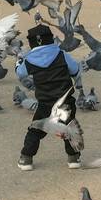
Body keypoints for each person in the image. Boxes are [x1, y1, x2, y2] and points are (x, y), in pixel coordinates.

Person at [16, 24, 83, 171]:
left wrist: (18, 63)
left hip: (45, 103)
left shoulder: (29, 60)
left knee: (36, 129)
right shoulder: (61, 54)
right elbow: (75, 70)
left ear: (32, 42)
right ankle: (74, 158)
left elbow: (20, 73)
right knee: (69, 128)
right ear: (51, 39)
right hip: (65, 101)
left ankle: (26, 158)